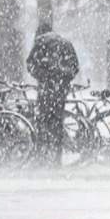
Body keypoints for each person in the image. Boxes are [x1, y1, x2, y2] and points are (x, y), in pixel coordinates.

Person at [25, 22, 82, 166]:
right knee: (57, 123)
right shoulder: (66, 43)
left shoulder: (40, 43)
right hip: (60, 91)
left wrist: (43, 77)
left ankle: (42, 155)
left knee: (42, 121)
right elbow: (75, 67)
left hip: (45, 90)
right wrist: (63, 79)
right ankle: (57, 157)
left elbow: (30, 64)